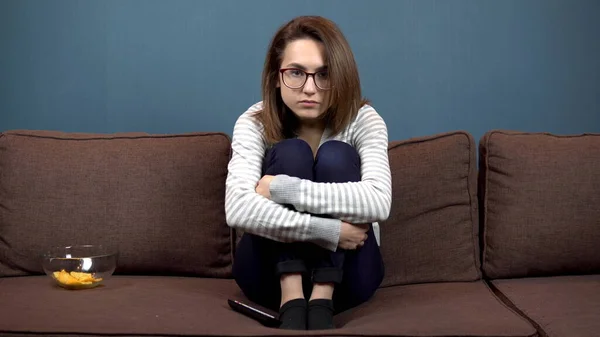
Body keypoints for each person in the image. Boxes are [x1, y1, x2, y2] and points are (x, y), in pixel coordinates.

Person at [225, 15, 392, 330]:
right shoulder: (253, 122)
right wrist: (328, 232)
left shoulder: (364, 120)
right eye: (296, 73)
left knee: (336, 156)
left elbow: (378, 202)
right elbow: (238, 209)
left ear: (340, 76)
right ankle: (292, 292)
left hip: (350, 275)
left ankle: (322, 294)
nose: (310, 88)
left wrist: (280, 189)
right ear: (276, 76)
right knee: (291, 152)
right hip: (268, 277)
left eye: (324, 74)